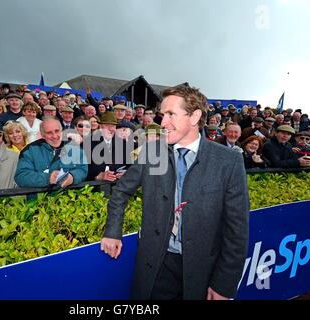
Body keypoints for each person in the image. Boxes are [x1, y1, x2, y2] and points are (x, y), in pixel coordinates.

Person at [100, 86, 249, 300]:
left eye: (171, 114)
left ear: (195, 116)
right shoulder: (152, 152)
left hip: (202, 271)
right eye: (162, 115)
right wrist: (113, 231)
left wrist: (224, 284)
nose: (163, 123)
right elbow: (121, 191)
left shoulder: (228, 161)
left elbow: (237, 230)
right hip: (156, 266)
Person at [15, 118, 88, 188]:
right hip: (40, 199)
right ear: (43, 135)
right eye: (49, 133)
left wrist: (73, 176)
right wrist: (47, 178)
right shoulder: (30, 151)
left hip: (68, 198)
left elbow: (82, 169)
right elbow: (21, 176)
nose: (54, 136)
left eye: (57, 131)